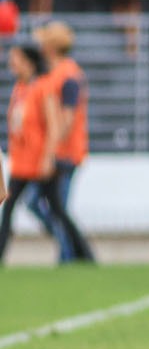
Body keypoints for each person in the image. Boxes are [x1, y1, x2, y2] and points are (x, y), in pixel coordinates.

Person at [0, 41, 94, 265]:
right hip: (22, 164)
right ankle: (80, 254)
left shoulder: (44, 87)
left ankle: (81, 254)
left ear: (29, 63)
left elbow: (53, 126)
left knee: (57, 210)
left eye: (17, 60)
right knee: (11, 210)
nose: (11, 64)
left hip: (39, 162)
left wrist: (47, 158)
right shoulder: (19, 89)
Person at [23, 21, 90, 262]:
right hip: (61, 151)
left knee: (55, 207)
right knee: (48, 206)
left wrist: (50, 151)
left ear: (50, 46)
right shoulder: (58, 73)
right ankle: (75, 250)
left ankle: (68, 254)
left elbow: (67, 119)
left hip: (66, 153)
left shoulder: (68, 76)